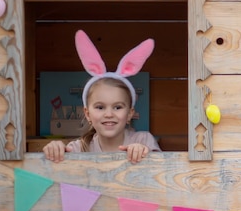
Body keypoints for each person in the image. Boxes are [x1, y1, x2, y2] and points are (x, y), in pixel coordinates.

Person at [43, 30, 160, 164]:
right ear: (87, 113)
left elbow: (163, 170)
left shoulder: (143, 140)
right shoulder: (79, 148)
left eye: (117, 107)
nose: (109, 114)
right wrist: (55, 149)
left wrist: (144, 153)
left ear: (129, 113)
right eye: (100, 107)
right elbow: (55, 169)